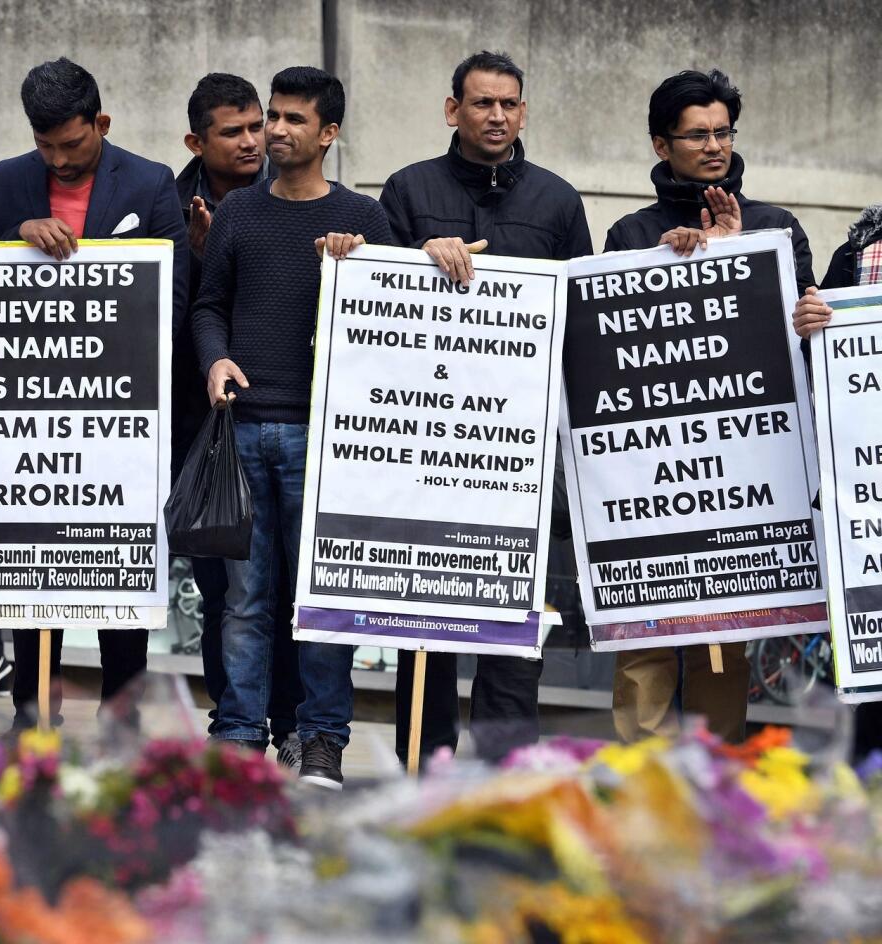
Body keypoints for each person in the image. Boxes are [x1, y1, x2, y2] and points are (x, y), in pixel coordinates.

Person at [380, 50, 592, 765]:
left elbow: (579, 327)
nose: (496, 116)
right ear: (453, 110)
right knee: (425, 612)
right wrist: (418, 256)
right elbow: (372, 310)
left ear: (523, 112)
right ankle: (423, 765)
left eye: (509, 104)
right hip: (425, 444)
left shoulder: (559, 203)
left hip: (518, 455)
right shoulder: (407, 192)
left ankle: (507, 775)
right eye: (481, 104)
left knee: (513, 626)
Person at [192, 65, 391, 790]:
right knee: (244, 600)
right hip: (243, 429)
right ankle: (241, 736)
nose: (274, 130)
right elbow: (208, 305)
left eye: (293, 119)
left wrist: (356, 268)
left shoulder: (364, 221)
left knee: (323, 597)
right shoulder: (240, 212)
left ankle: (320, 740)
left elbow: (393, 322)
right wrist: (215, 363)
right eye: (272, 116)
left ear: (328, 133)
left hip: (326, 439)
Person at [0, 57, 187, 730]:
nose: (59, 159)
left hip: (120, 414)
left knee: (116, 566)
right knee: (33, 569)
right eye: (45, 146)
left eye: (72, 143)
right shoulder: (7, 182)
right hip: (29, 415)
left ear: (101, 122)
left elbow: (175, 297)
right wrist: (16, 239)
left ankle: (121, 715)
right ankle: (33, 712)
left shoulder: (152, 183)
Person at [606, 68, 813, 744]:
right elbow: (611, 351)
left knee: (723, 644)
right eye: (698, 135)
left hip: (742, 477)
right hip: (651, 478)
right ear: (662, 145)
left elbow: (798, 338)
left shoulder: (775, 228)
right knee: (645, 647)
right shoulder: (630, 231)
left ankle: (715, 809)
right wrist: (670, 271)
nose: (715, 146)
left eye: (723, 132)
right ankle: (637, 800)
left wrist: (735, 251)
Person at [175, 72, 303, 768]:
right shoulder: (168, 206)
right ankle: (235, 721)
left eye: (259, 125)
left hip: (276, 424)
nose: (255, 140)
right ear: (198, 141)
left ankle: (287, 725)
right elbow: (188, 311)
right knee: (226, 591)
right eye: (235, 131)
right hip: (201, 434)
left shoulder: (285, 199)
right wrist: (200, 256)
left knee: (282, 590)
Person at [791, 204, 882, 760]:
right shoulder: (858, 254)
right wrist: (809, 327)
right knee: (868, 670)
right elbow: (817, 360)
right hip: (865, 501)